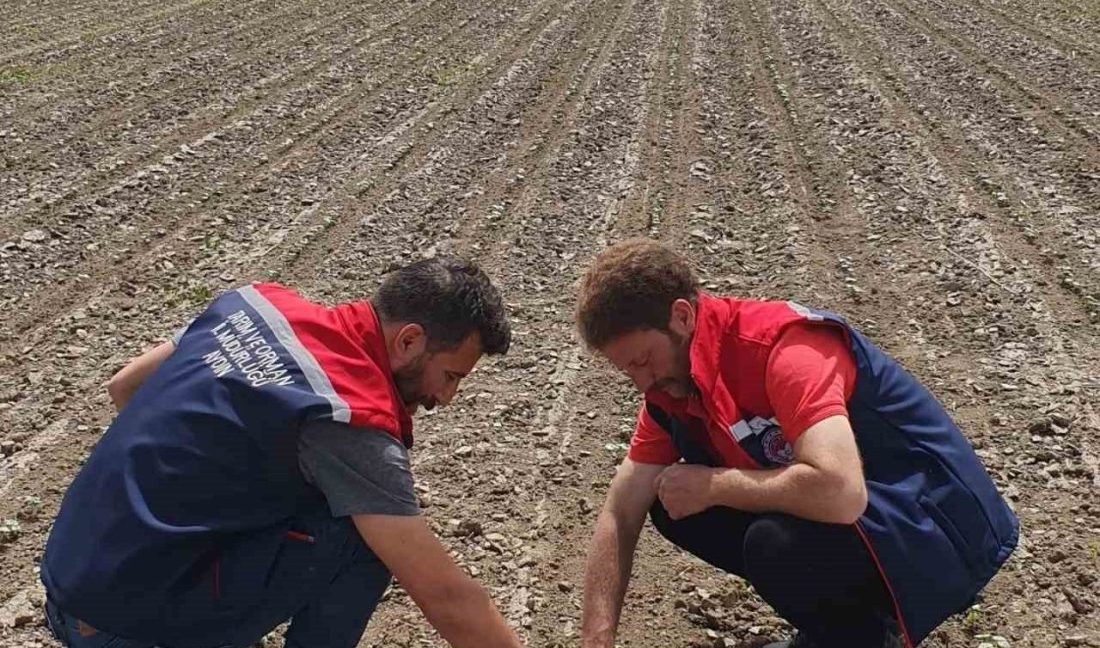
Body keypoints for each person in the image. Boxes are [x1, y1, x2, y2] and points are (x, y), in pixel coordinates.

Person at [41, 258, 525, 648]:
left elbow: (125, 386)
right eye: (452, 376)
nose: (446, 399)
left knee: (300, 492)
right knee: (361, 539)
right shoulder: (348, 416)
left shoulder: (255, 305)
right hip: (124, 630)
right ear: (410, 341)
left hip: (68, 582)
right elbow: (446, 599)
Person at [575, 239, 1018, 648]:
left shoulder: (784, 348)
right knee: (668, 499)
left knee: (772, 542)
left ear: (682, 316)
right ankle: (846, 630)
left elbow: (840, 493)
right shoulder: (673, 389)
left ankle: (865, 638)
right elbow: (621, 509)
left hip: (942, 528)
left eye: (643, 361)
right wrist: (596, 639)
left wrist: (714, 484)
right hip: (876, 522)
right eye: (626, 371)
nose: (640, 383)